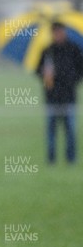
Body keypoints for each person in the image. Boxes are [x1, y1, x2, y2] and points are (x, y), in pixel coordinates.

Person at [36, 21, 83, 164]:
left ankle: (71, 159)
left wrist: (70, 78)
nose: (58, 34)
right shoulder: (47, 51)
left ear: (65, 32)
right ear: (52, 33)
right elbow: (38, 71)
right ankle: (51, 159)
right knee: (51, 131)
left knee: (70, 131)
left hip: (69, 96)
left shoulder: (74, 49)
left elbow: (80, 71)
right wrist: (45, 74)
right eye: (55, 32)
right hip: (52, 97)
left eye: (60, 31)